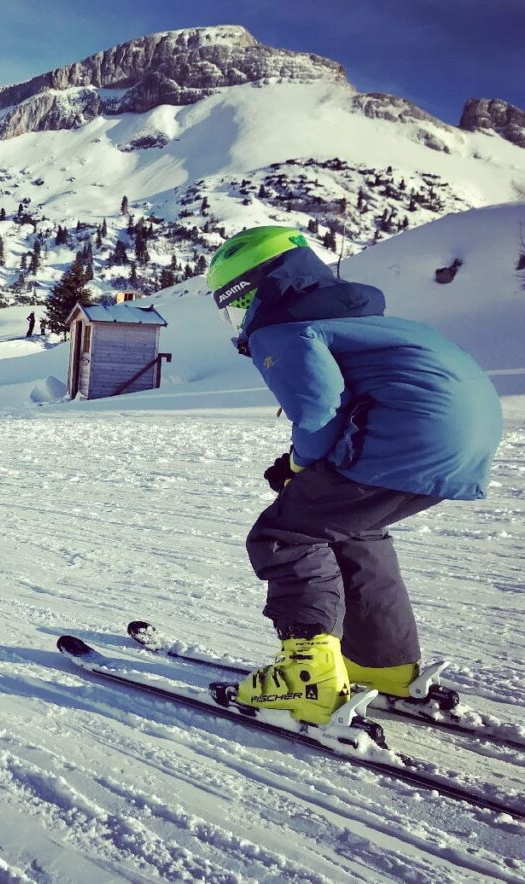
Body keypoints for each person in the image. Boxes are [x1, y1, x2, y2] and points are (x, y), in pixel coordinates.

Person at [206, 226, 502, 725]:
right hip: (465, 432)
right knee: (354, 529)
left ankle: (310, 683)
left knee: (287, 533)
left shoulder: (282, 326)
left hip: (409, 433)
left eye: (240, 304)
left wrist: (300, 467)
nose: (243, 317)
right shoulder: (356, 317)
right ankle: (385, 666)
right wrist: (304, 465)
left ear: (254, 290)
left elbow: (318, 409)